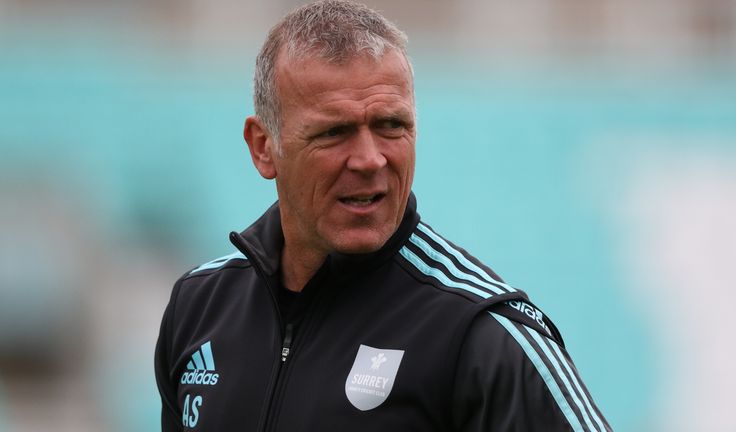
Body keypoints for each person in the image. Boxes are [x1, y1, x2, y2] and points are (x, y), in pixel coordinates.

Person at [154, 1, 612, 431]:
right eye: (335, 132)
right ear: (263, 147)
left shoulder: (485, 334)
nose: (370, 159)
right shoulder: (199, 307)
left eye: (391, 126)